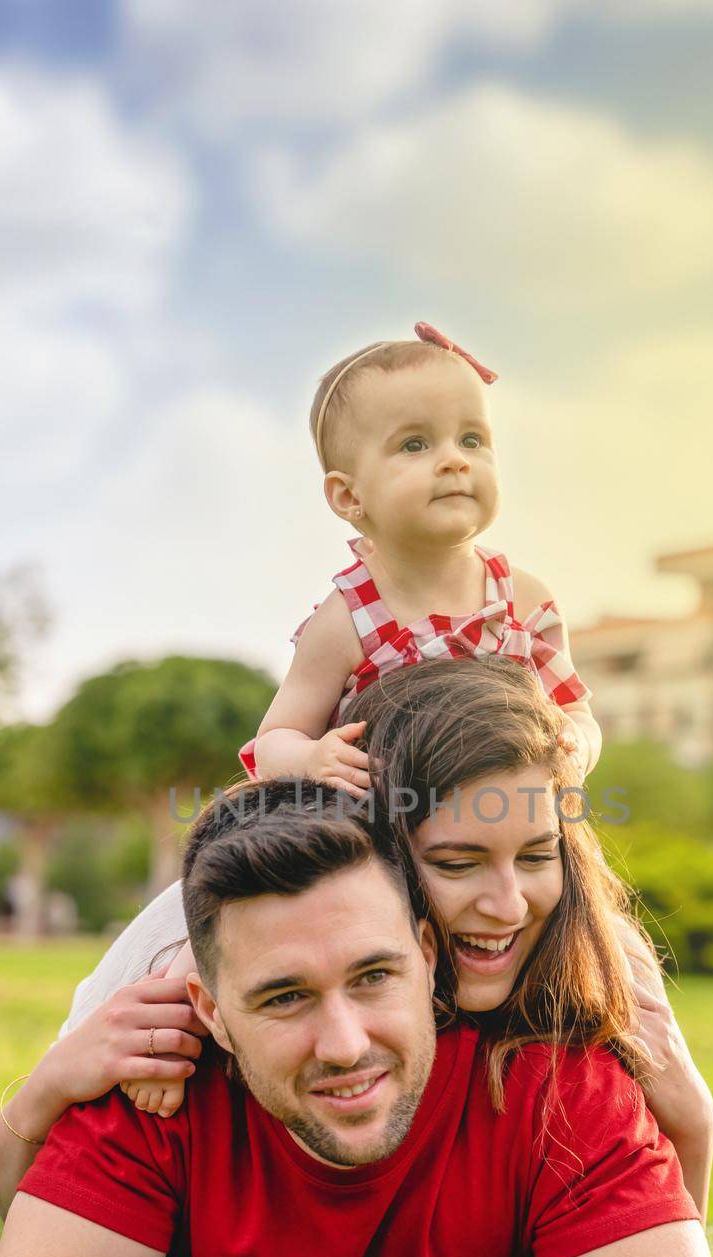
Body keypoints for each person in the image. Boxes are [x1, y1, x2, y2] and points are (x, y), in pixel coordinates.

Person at [0, 776, 713, 1257]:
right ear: (211, 1010)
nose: (344, 1045)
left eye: (373, 976)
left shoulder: (553, 1083)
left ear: (429, 955)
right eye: (284, 997)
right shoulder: (159, 1075)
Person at [0, 658, 713, 1223]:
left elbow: (665, 1240)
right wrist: (49, 1084)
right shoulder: (199, 957)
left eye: (534, 855)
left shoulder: (589, 945)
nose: (505, 904)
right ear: (372, 847)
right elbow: (34, 1207)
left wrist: (691, 1114)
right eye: (454, 863)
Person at [118, 321, 602, 1114]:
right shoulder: (345, 619)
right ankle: (168, 1034)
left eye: (472, 440)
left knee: (602, 943)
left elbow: (575, 709)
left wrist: (573, 747)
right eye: (415, 444)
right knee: (221, 912)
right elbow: (274, 736)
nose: (454, 460)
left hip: (495, 831)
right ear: (348, 496)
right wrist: (306, 762)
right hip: (366, 835)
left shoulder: (526, 598)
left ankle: (655, 1078)